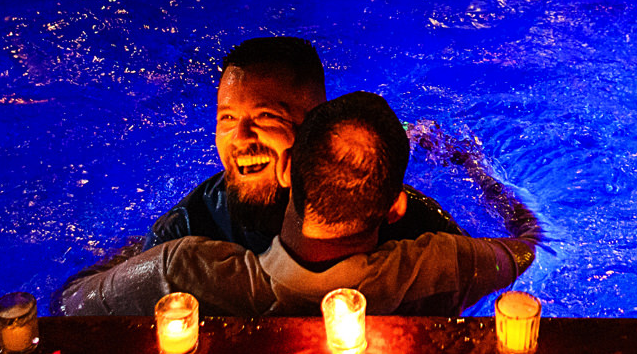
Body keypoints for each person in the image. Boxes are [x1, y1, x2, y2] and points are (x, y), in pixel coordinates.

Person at [55, 92, 538, 315]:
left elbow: (71, 302)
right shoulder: (442, 265)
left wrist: (133, 253)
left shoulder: (179, 271)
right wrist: (474, 170)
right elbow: (530, 246)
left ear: (287, 171)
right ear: (395, 208)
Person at [148, 36, 459, 251]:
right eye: (227, 119)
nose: (240, 138)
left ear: (315, 124)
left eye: (266, 117)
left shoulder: (387, 209)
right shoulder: (184, 232)